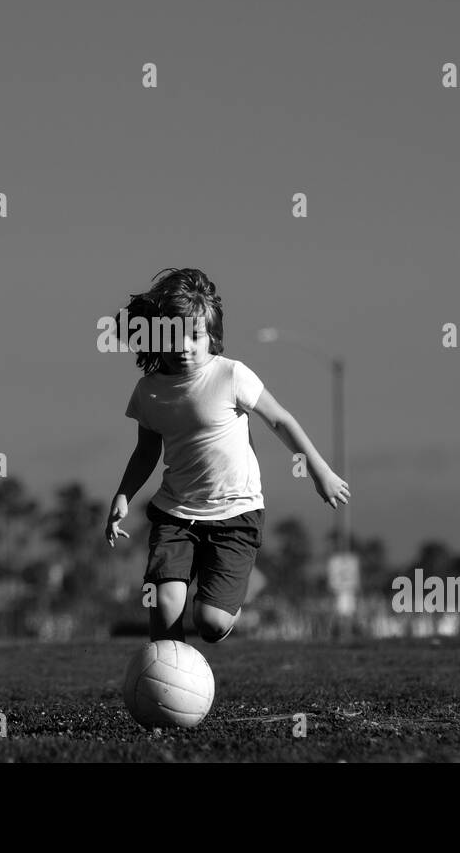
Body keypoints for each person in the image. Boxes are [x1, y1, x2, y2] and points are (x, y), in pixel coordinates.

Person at [105, 267, 350, 643]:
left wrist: (321, 472)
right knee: (165, 605)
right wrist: (124, 494)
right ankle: (164, 686)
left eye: (196, 336)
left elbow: (281, 421)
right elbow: (146, 450)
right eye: (174, 336)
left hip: (236, 514)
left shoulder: (232, 375)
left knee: (211, 623)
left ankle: (222, 610)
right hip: (176, 513)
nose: (185, 347)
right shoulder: (148, 392)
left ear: (212, 336)